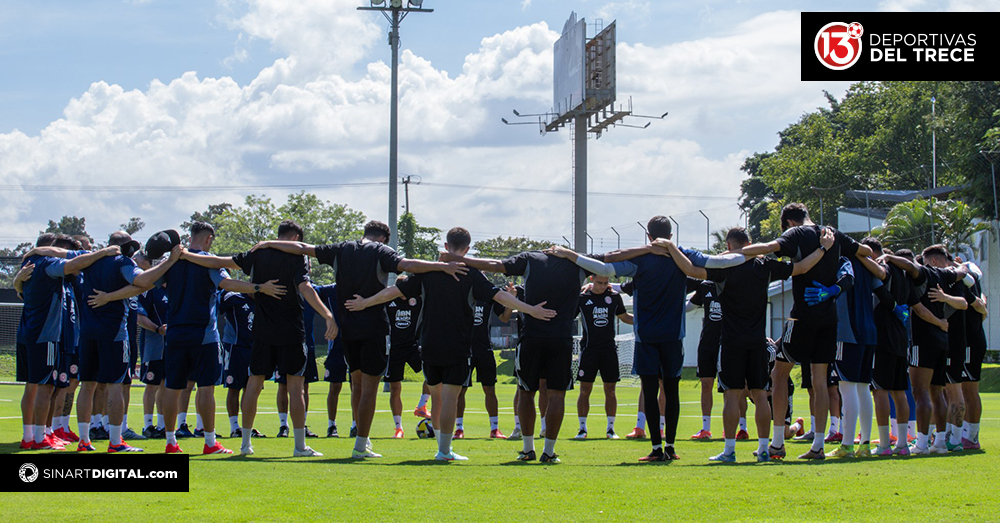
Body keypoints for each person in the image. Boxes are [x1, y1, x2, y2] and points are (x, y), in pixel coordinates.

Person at [250, 220, 466, 459]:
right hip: (374, 327)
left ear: (364, 233)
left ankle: (361, 436)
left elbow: (303, 248)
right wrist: (440, 266)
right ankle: (360, 446)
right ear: (383, 238)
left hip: (348, 327)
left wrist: (270, 243)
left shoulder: (342, 248)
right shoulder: (381, 251)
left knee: (357, 384)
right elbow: (408, 265)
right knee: (369, 390)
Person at [346, 226, 556, 460]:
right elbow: (500, 296)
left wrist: (366, 302)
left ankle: (442, 448)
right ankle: (444, 451)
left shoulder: (428, 271)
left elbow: (392, 292)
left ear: (446, 246)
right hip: (457, 345)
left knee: (436, 397)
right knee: (449, 398)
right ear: (467, 249)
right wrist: (530, 310)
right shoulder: (472, 274)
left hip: (429, 344)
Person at [547, 217, 745, 462]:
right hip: (674, 336)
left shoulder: (640, 259)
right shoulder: (682, 255)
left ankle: (655, 448)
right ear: (670, 235)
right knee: (671, 392)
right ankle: (670, 447)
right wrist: (753, 252)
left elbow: (606, 268)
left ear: (649, 236)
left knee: (650, 391)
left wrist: (570, 255)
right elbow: (719, 261)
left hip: (646, 337)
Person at [664, 226, 832, 462]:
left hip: (732, 341)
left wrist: (672, 248)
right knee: (761, 395)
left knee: (732, 396)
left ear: (729, 246)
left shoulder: (725, 268)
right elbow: (802, 267)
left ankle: (730, 451)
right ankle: (764, 450)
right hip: (757, 342)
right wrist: (824, 248)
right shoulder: (764, 265)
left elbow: (690, 269)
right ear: (751, 243)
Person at [181, 220, 336, 457]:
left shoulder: (258, 253)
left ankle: (245, 444)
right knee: (296, 389)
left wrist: (187, 255)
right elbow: (306, 287)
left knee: (253, 386)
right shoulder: (297, 257)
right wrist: (327, 314)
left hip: (263, 332)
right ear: (296, 238)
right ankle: (299, 446)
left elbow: (219, 262)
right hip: (291, 332)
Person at [737, 203, 873, 460]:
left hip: (801, 317)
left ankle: (777, 442)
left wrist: (738, 254)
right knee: (820, 381)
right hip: (829, 318)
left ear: (788, 221)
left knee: (779, 374)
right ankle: (818, 446)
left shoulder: (796, 234)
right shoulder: (832, 233)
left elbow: (768, 248)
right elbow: (865, 251)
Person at [71, 231, 180, 452]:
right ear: (126, 247)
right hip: (114, 332)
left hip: (87, 331)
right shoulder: (122, 262)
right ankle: (115, 441)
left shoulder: (90, 260)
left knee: (87, 385)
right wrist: (170, 260)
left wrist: (111, 295)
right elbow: (143, 281)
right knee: (115, 386)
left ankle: (84, 440)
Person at [16, 235, 117, 450]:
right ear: (58, 250)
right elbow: (74, 263)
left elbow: (20, 289)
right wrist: (103, 252)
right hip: (45, 335)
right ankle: (40, 438)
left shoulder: (29, 264)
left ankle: (29, 436)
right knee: (46, 388)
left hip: (28, 334)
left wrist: (17, 280)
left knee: (34, 386)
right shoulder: (49, 263)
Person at [882, 245, 971, 454]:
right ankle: (939, 442)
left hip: (924, 340)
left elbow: (911, 269)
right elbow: (962, 272)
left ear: (930, 261)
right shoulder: (945, 274)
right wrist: (960, 267)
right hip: (942, 341)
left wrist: (889, 256)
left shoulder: (924, 273)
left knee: (920, 392)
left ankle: (921, 443)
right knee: (937, 392)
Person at [827, 238, 887, 459]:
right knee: (863, 389)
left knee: (846, 387)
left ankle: (847, 445)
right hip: (869, 331)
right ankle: (864, 444)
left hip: (848, 331)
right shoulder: (866, 264)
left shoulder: (841, 262)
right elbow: (882, 289)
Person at [573, 274, 633, 440]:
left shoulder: (613, 297)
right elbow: (569, 316)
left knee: (611, 390)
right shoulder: (582, 297)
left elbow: (624, 317)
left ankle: (611, 429)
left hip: (609, 351)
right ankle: (582, 429)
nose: (603, 286)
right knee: (585, 390)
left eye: (606, 283)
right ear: (592, 280)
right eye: (599, 283)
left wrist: (646, 321)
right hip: (588, 351)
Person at [459, 280, 515, 439]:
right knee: (460, 390)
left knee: (490, 389)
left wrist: (511, 300)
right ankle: (458, 428)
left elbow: (504, 317)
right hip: (464, 350)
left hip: (484, 349)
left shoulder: (489, 297)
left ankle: (494, 428)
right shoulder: (461, 294)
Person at [218, 289, 264, 439]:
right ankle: (234, 427)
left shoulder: (264, 300)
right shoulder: (234, 297)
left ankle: (247, 427)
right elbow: (217, 303)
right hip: (235, 347)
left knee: (251, 389)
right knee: (234, 388)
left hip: (256, 349)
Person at [384, 279, 425, 438]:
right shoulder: (388, 300)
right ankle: (398, 427)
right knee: (395, 388)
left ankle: (422, 405)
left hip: (413, 346)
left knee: (433, 373)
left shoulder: (417, 300)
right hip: (394, 349)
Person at [135, 252, 169, 439]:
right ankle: (148, 425)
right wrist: (157, 329)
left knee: (166, 385)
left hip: (173, 346)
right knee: (152, 384)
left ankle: (163, 425)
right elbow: (139, 317)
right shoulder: (149, 289)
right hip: (154, 345)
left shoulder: (175, 290)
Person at [688, 278, 723, 440]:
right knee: (706, 383)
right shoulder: (706, 286)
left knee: (734, 387)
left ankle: (739, 427)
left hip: (729, 342)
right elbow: (689, 306)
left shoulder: (736, 282)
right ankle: (706, 428)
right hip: (708, 343)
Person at [314, 283, 348, 438]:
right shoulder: (329, 290)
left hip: (357, 341)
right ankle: (331, 425)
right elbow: (310, 291)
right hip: (336, 345)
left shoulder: (358, 286)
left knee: (358, 384)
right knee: (335, 386)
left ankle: (356, 425)